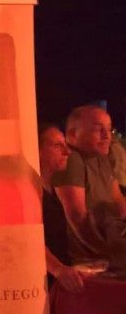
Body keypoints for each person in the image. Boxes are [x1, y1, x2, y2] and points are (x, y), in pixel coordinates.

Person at [52, 105, 126, 262]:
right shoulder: (71, 159)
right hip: (88, 260)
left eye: (109, 129)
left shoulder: (102, 158)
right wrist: (110, 253)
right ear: (73, 134)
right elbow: (77, 218)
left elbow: (119, 203)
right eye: (98, 129)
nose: (106, 136)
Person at [39, 123, 83, 291]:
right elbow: (29, 241)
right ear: (38, 149)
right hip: (42, 285)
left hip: (57, 283)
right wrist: (58, 269)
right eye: (58, 146)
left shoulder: (50, 189)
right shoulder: (32, 190)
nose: (67, 152)